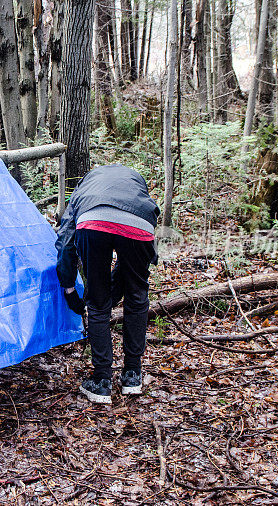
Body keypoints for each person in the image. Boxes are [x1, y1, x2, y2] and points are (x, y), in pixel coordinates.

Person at [55, 164, 159, 404]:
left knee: (98, 302)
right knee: (137, 296)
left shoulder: (83, 190)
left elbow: (66, 240)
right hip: (140, 224)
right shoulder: (136, 181)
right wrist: (126, 284)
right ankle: (133, 375)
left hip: (92, 223)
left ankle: (102, 381)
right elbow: (142, 252)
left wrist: (69, 287)